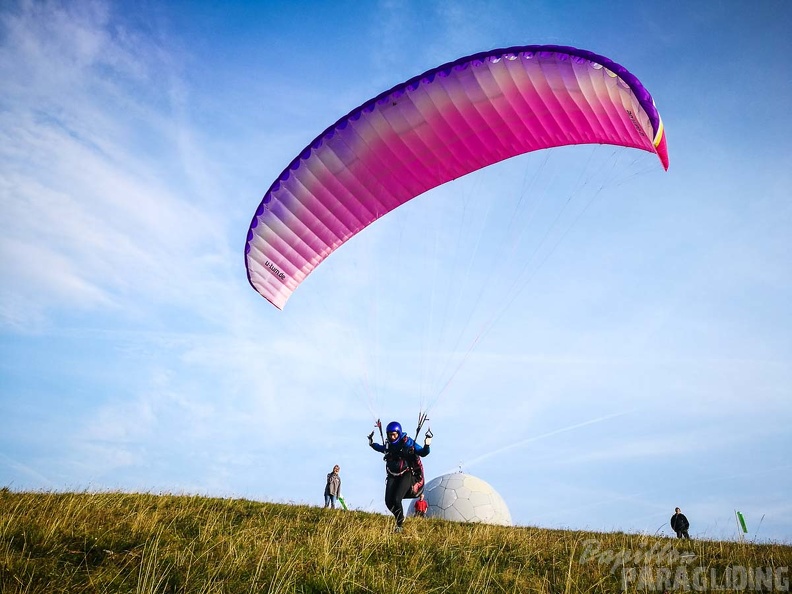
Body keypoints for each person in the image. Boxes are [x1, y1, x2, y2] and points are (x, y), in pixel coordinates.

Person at [368, 421, 431, 532]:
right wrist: (371, 443)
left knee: (397, 499)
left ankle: (399, 525)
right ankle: (400, 517)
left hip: (406, 474)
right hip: (392, 475)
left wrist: (427, 444)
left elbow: (423, 452)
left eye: (394, 434)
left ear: (399, 433)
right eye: (390, 435)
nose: (392, 437)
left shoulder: (408, 442)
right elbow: (380, 448)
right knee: (388, 502)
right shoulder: (389, 445)